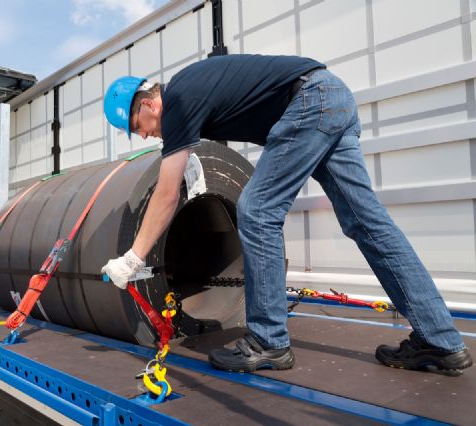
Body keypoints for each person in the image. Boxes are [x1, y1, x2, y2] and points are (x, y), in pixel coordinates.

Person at [101, 54, 473, 375]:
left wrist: (133, 258)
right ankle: (439, 339)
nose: (146, 136)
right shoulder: (192, 90)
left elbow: (166, 194)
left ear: (148, 104)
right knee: (368, 224)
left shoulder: (178, 98)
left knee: (257, 210)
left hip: (311, 103)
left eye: (139, 127)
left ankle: (268, 340)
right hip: (331, 96)